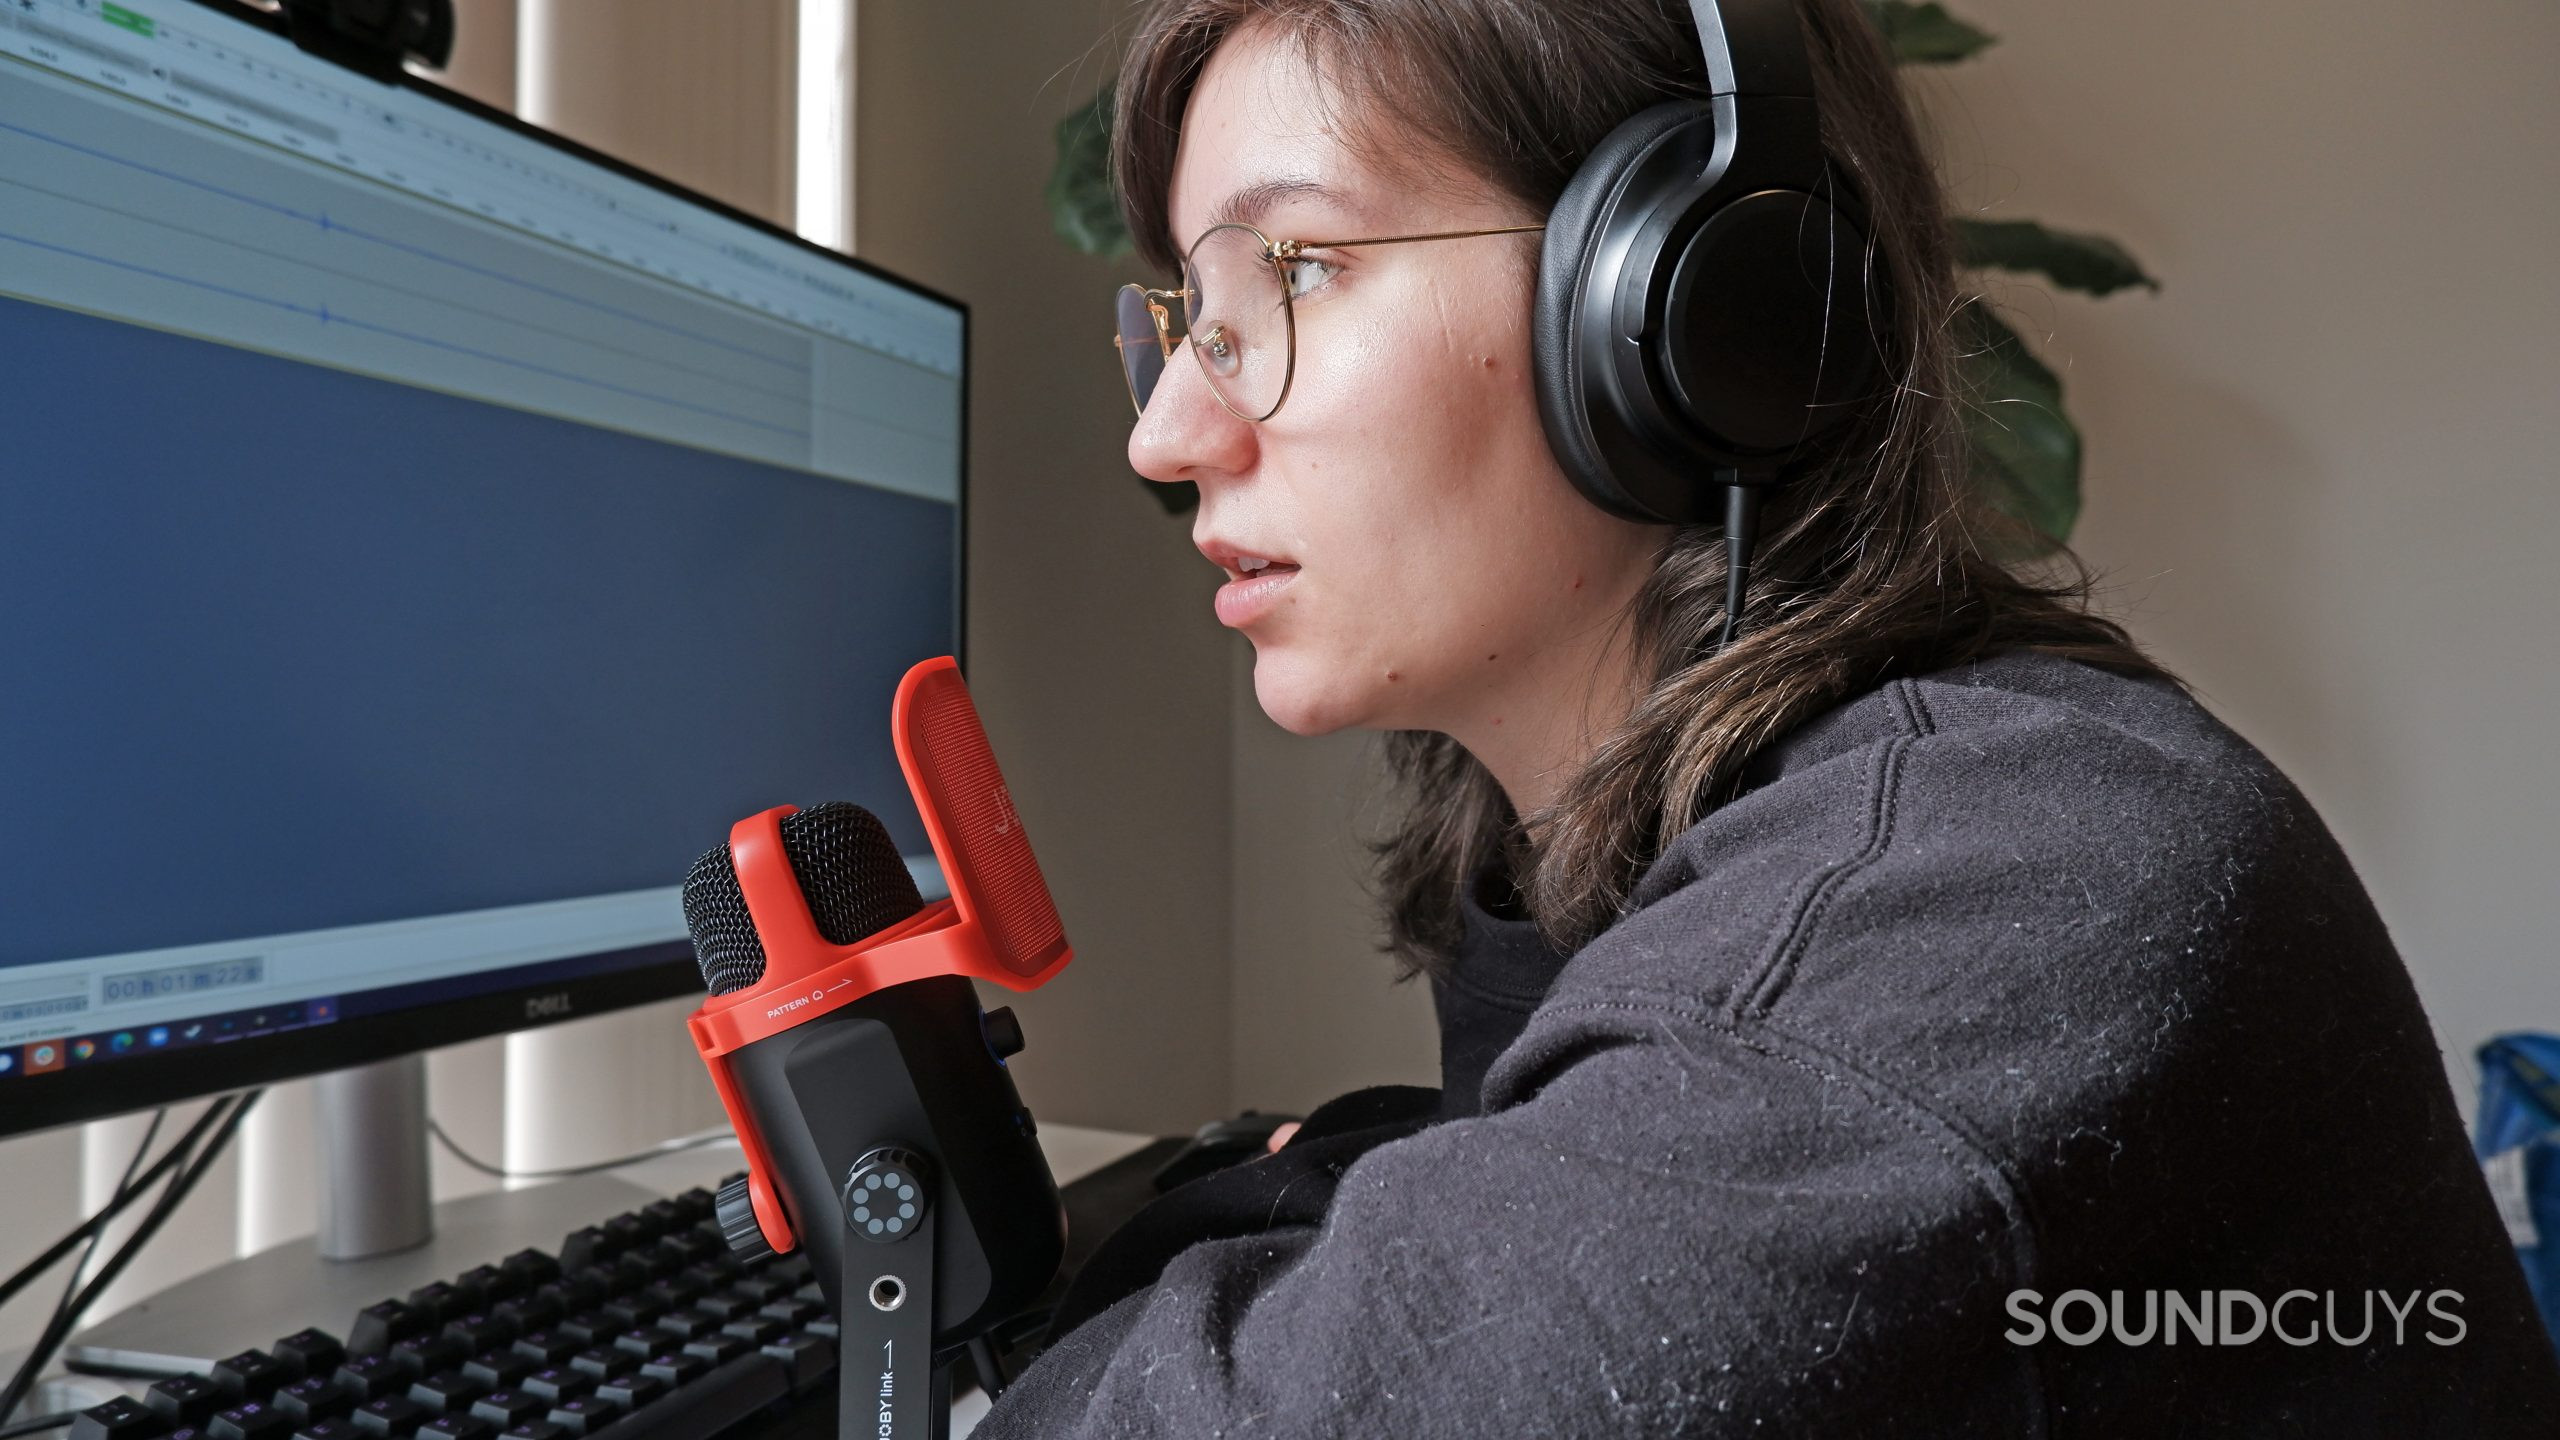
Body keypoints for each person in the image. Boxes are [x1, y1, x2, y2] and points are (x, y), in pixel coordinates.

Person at [976, 0, 2560, 1433]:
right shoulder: (1612, 863)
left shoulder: (2009, 881)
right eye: (1190, 315)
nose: (1171, 435)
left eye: (1301, 269)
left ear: (1686, 298)